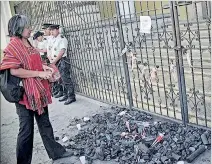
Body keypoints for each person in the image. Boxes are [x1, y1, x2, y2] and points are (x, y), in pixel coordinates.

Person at [0, 14, 73, 163]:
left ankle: (56, 152)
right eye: (27, 27)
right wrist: (39, 73)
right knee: (26, 130)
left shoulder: (28, 42)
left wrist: (45, 68)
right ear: (18, 29)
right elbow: (14, 71)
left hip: (39, 91)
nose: (30, 29)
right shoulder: (13, 46)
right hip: (25, 95)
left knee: (45, 123)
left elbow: (34, 62)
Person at [48, 24, 76, 105]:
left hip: (62, 61)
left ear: (57, 30)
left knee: (66, 79)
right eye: (51, 30)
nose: (51, 32)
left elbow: (62, 51)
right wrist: (52, 60)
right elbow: (51, 50)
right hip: (56, 62)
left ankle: (71, 96)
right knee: (60, 80)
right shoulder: (53, 39)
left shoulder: (62, 39)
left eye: (53, 30)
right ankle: (66, 94)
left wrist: (54, 61)